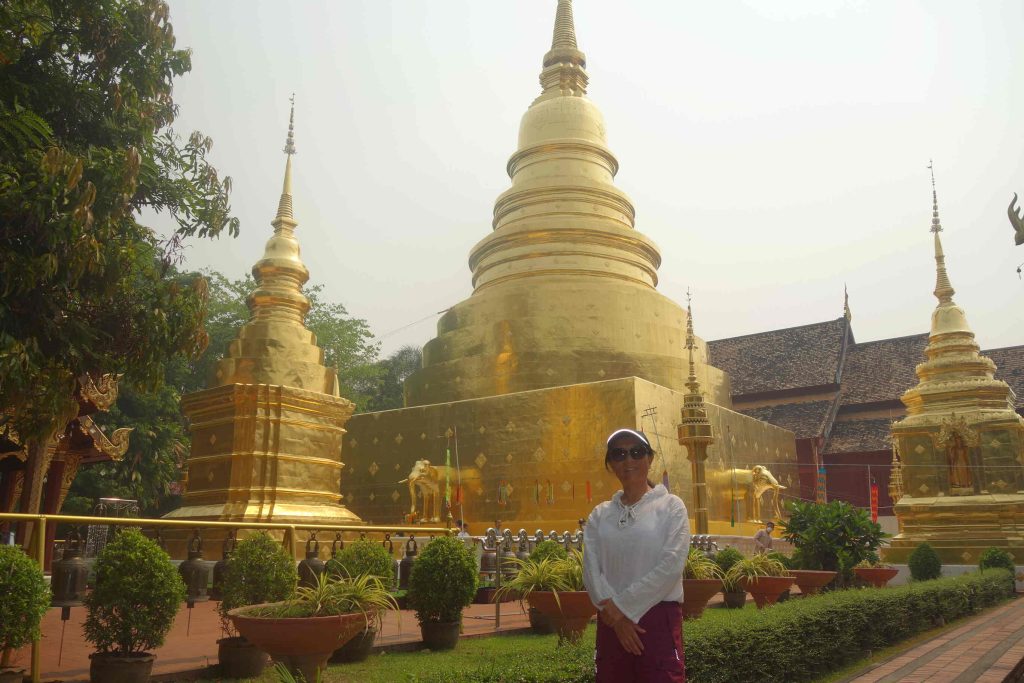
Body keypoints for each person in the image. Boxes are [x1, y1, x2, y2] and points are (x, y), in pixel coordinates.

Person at [583, 428, 690, 682]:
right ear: (611, 464)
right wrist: (616, 617)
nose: (628, 460)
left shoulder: (671, 507)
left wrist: (622, 608)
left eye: (637, 452)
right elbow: (591, 570)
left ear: (649, 458)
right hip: (610, 619)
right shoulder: (599, 515)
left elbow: (671, 566)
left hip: (656, 617)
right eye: (619, 454)